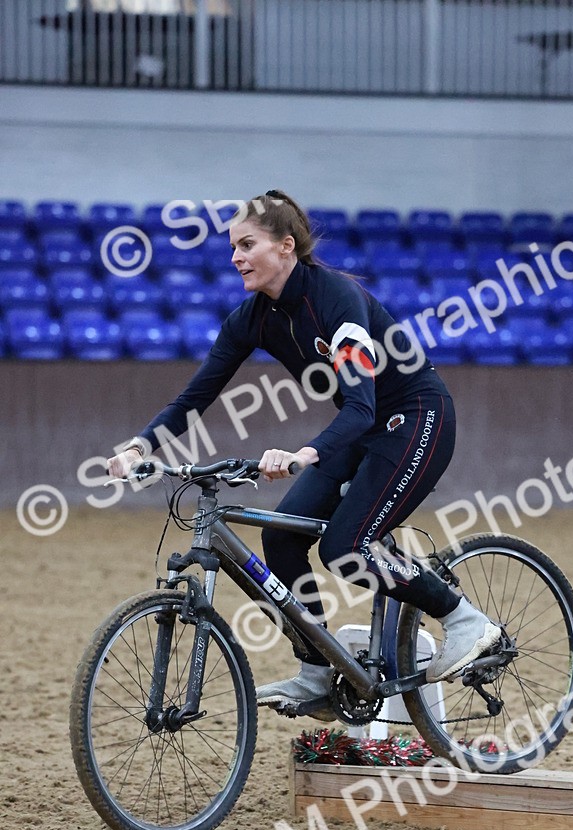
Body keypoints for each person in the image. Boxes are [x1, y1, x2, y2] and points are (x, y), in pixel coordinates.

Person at [107, 189, 500, 719]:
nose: (235, 257)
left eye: (247, 244)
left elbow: (361, 407)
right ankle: (318, 667)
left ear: (286, 246)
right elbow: (194, 398)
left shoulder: (337, 299)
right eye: (232, 247)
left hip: (416, 417)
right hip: (364, 429)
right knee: (281, 535)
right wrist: (139, 446)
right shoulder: (251, 318)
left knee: (345, 547)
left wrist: (303, 454)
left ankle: (463, 619)